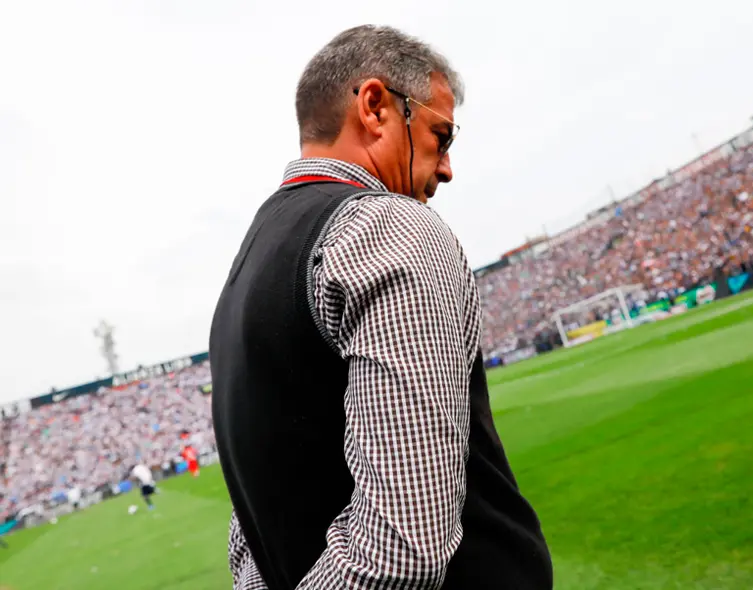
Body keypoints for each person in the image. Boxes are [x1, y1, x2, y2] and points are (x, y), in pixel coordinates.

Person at [210, 25, 552, 590]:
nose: (446, 168)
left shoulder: (244, 269)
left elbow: (249, 528)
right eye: (441, 136)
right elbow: (403, 541)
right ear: (375, 107)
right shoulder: (387, 226)